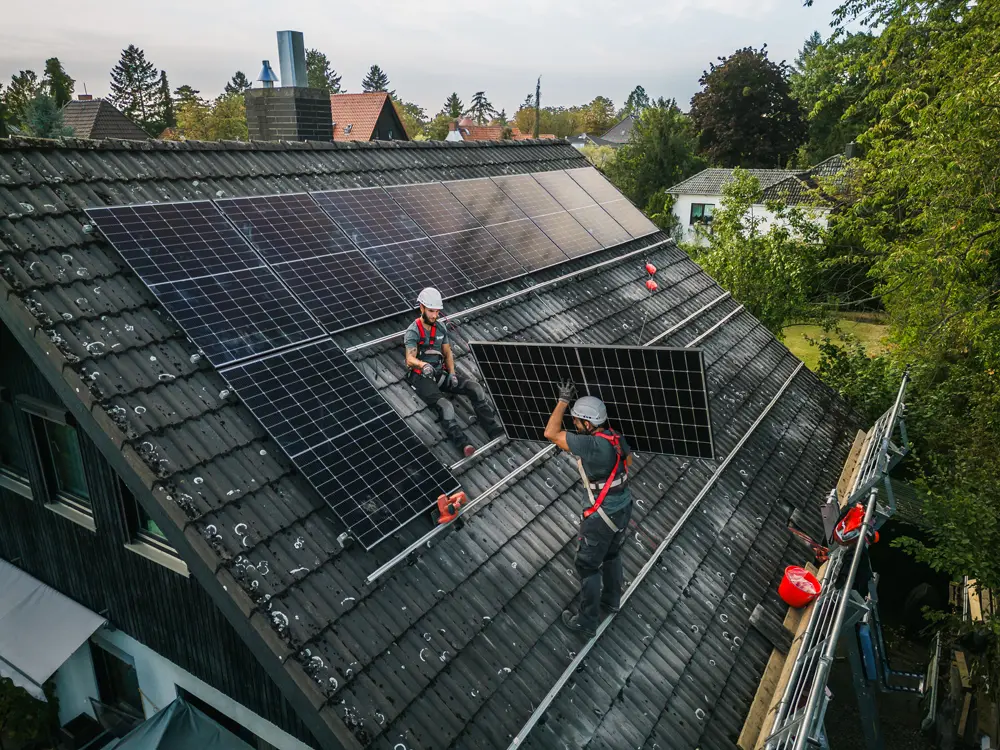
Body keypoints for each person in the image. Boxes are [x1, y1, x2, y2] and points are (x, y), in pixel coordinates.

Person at [544, 382, 633, 636]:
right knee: (611, 554)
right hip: (623, 507)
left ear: (588, 423)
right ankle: (611, 600)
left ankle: (586, 622)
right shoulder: (614, 437)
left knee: (587, 566)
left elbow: (550, 433)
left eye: (577, 420)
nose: (574, 424)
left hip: (602, 517)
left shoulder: (591, 445)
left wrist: (563, 400)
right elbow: (628, 461)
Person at [404, 288, 505, 457]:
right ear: (421, 307)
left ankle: (492, 428)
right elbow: (409, 359)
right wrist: (422, 365)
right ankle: (463, 443)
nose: (434, 315)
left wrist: (451, 373)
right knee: (446, 406)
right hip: (421, 376)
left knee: (475, 388)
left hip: (439, 372)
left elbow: (447, 353)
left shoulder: (440, 328)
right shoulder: (413, 331)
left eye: (437, 311)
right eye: (431, 311)